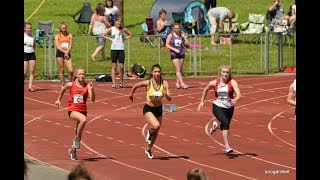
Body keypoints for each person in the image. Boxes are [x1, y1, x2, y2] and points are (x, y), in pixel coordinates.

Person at [129, 64, 172, 159]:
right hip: (148, 108)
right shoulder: (148, 82)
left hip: (159, 109)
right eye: (155, 72)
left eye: (159, 72)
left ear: (161, 73)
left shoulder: (164, 83)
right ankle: (149, 132)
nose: (157, 73)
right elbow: (136, 85)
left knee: (157, 131)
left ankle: (148, 149)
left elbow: (169, 98)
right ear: (152, 73)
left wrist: (166, 94)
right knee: (156, 126)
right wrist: (131, 94)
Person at [197, 65, 241, 154]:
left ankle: (216, 126)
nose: (225, 74)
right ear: (220, 72)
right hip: (217, 106)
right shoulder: (214, 82)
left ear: (229, 73)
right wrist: (202, 101)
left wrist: (235, 99)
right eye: (223, 72)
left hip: (229, 107)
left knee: (225, 125)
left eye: (227, 72)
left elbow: (239, 94)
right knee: (226, 123)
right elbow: (205, 90)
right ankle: (227, 147)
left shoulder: (232, 82)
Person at [55, 68, 95, 160]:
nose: (81, 76)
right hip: (72, 110)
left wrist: (92, 90)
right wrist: (58, 99)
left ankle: (73, 150)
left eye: (83, 74)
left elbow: (92, 99)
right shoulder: (71, 84)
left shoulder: (87, 86)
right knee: (83, 120)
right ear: (76, 75)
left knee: (78, 130)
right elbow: (63, 89)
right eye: (80, 74)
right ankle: (77, 139)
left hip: (83, 111)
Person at [102, 17, 132, 89]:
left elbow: (130, 34)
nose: (119, 23)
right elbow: (103, 35)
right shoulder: (112, 29)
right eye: (118, 21)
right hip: (114, 49)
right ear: (115, 22)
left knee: (121, 67)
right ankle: (114, 83)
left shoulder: (123, 29)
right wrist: (110, 39)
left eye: (120, 21)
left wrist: (124, 38)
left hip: (121, 49)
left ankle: (121, 82)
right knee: (114, 66)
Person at [165, 23, 190, 89]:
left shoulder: (181, 35)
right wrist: (174, 49)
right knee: (178, 69)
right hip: (174, 54)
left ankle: (177, 83)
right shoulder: (170, 35)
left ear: (180, 29)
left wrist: (184, 37)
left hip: (181, 53)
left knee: (180, 69)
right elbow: (167, 45)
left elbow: (188, 44)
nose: (176, 30)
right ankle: (182, 83)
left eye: (178, 28)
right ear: (173, 29)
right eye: (175, 28)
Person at [55, 21, 74, 88]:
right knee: (62, 69)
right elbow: (58, 46)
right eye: (62, 28)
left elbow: (71, 45)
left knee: (71, 70)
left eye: (65, 28)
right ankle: (63, 84)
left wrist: (67, 52)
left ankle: (70, 82)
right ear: (60, 29)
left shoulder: (70, 35)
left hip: (67, 53)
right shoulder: (57, 36)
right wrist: (64, 52)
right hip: (60, 53)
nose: (64, 30)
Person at [24, 22, 37, 92]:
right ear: (25, 28)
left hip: (32, 54)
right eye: (28, 28)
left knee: (32, 71)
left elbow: (34, 45)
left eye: (30, 28)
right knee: (24, 72)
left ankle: (30, 86)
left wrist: (31, 50)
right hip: (24, 54)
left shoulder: (33, 36)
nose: (29, 29)